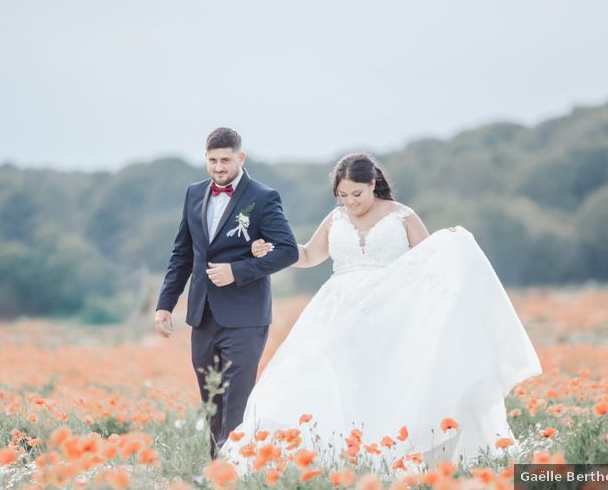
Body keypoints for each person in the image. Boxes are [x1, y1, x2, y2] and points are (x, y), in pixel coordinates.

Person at [219, 153, 542, 470]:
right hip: (338, 312)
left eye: (356, 194)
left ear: (373, 184)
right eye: (342, 196)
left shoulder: (402, 216)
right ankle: (330, 456)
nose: (350, 202)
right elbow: (307, 255)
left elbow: (429, 259)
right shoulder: (336, 219)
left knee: (386, 383)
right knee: (312, 376)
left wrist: (452, 247)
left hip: (391, 311)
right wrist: (273, 249)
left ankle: (391, 453)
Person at [154, 127, 299, 459]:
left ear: (240, 157)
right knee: (212, 399)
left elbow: (287, 250)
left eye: (225, 160)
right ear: (205, 158)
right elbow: (183, 254)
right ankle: (218, 466)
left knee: (236, 398)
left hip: (246, 317)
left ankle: (231, 471)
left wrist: (237, 271)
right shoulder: (193, 193)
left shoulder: (263, 197)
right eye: (212, 160)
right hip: (202, 315)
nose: (219, 167)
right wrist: (165, 304)